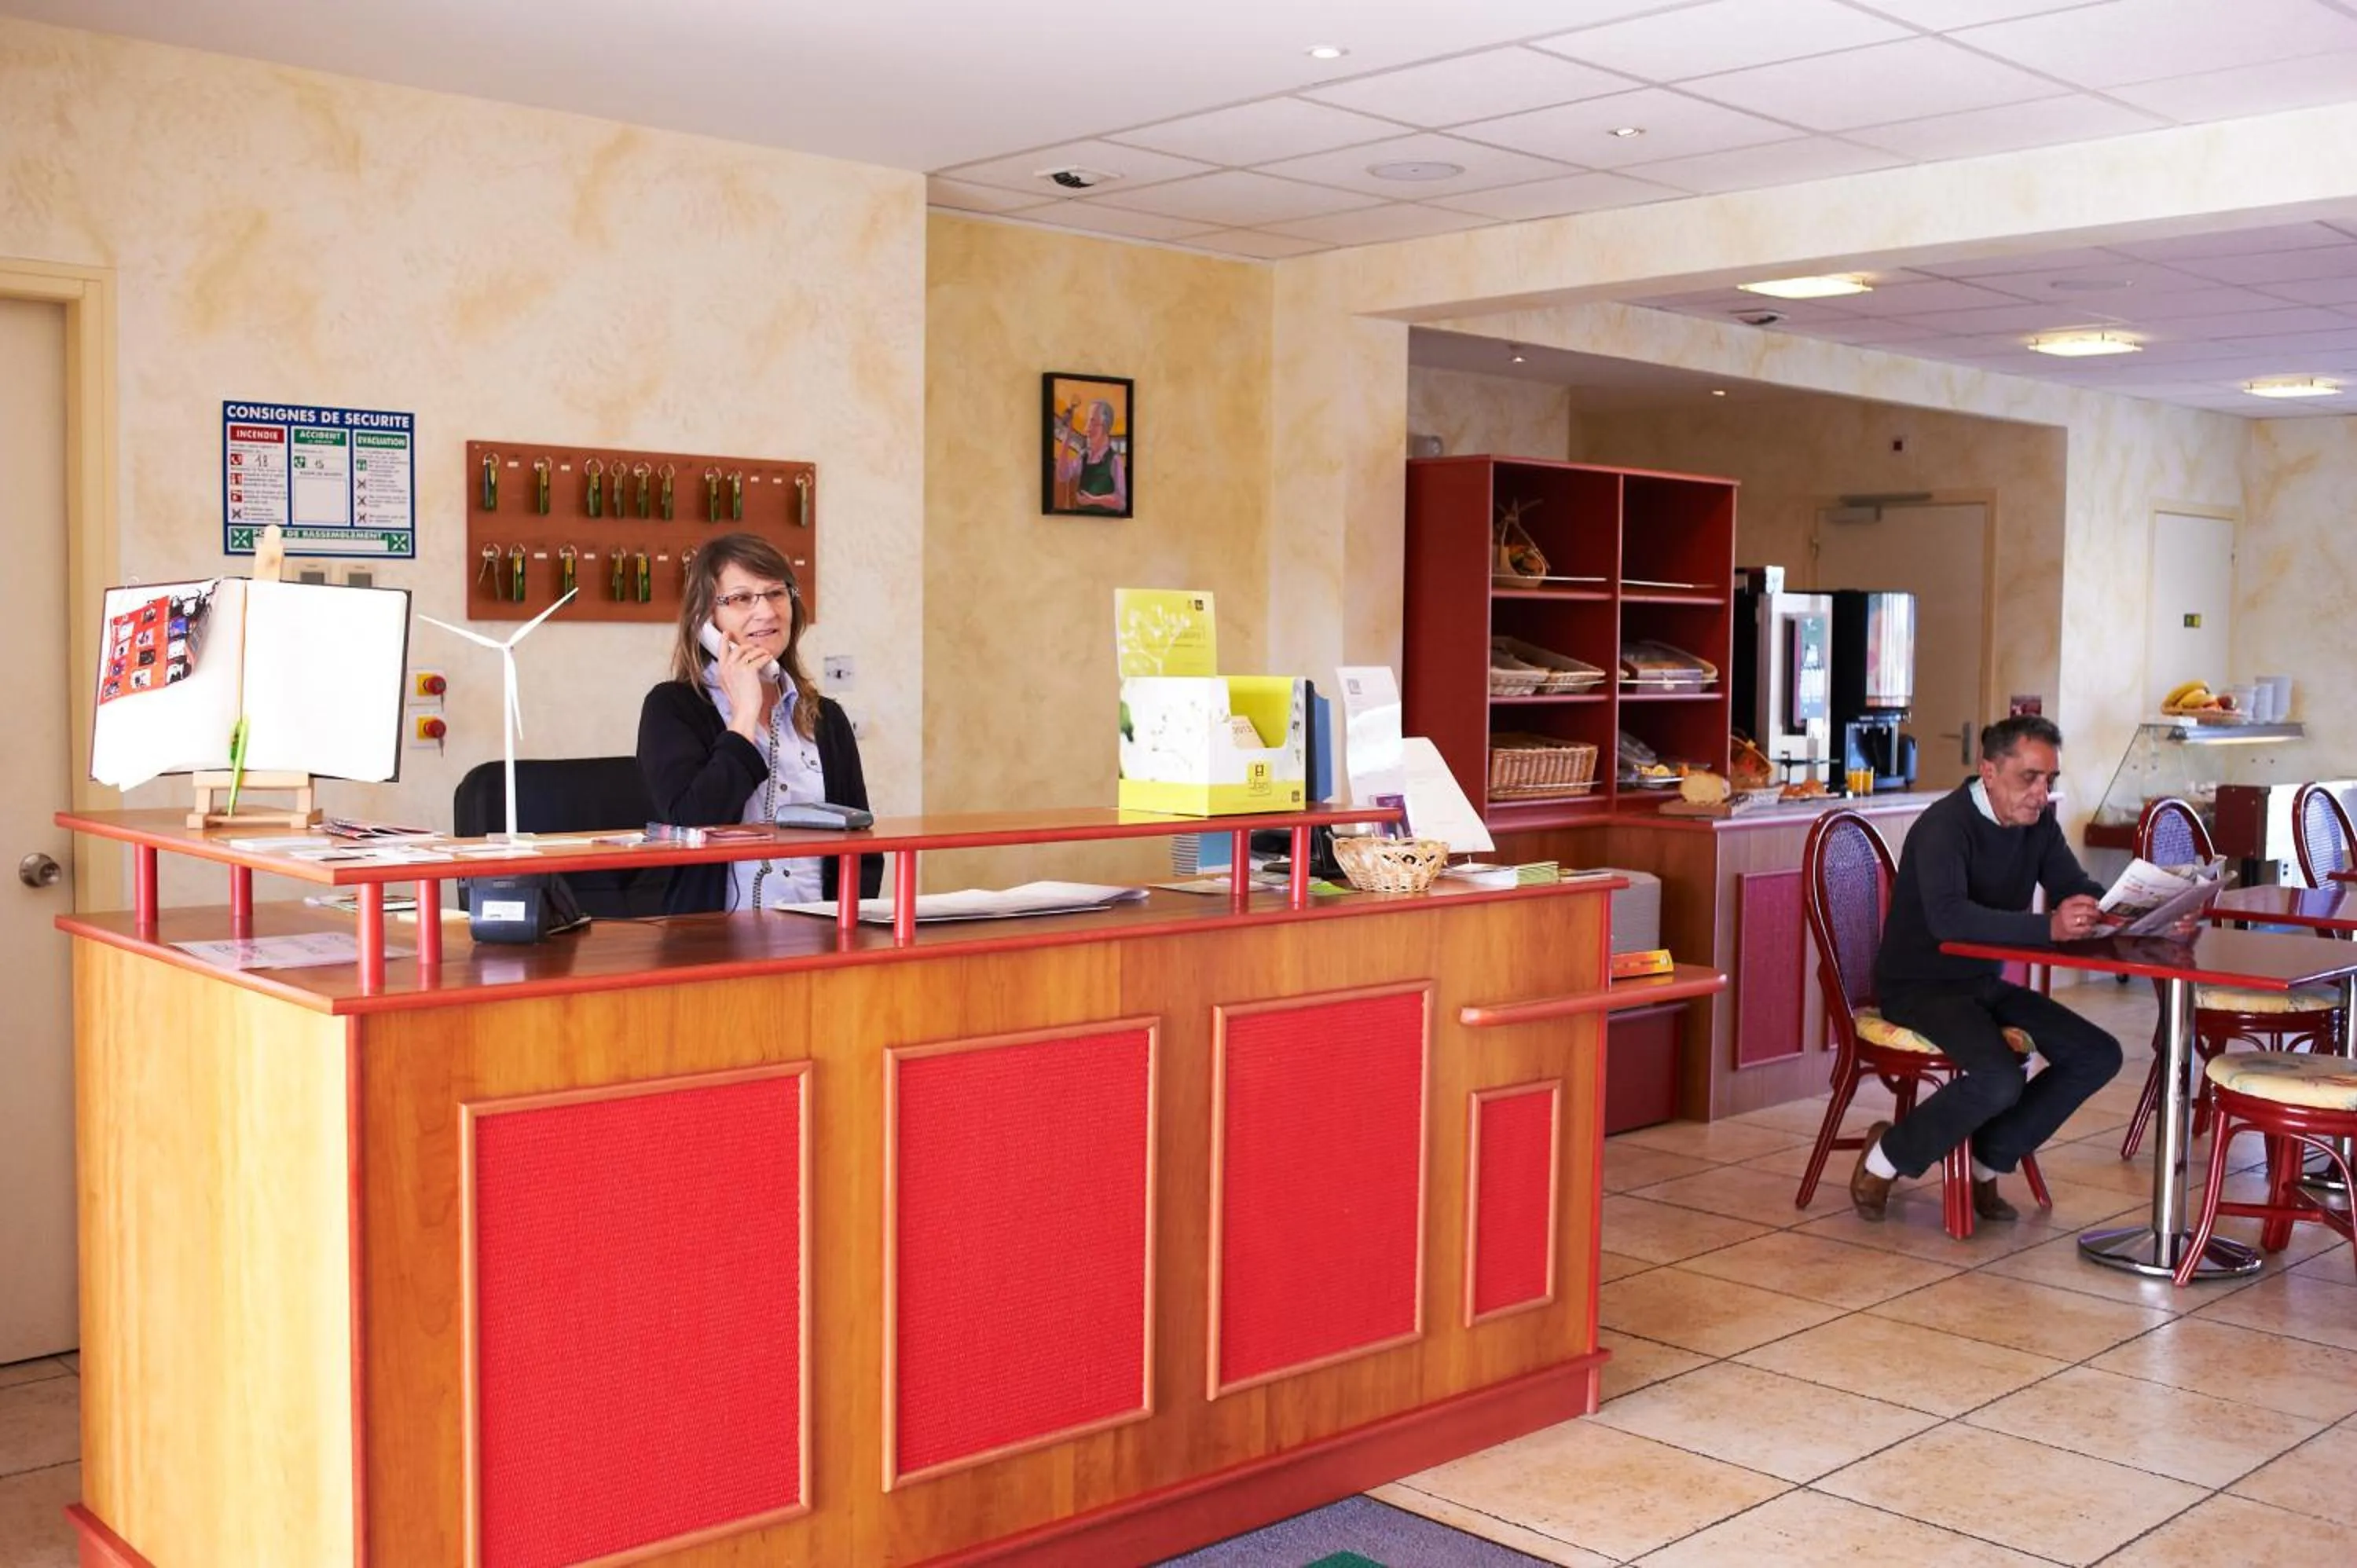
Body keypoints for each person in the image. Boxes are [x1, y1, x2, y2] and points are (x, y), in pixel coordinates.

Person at [1850, 713, 2124, 1223]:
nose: (2042, 794)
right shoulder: (1943, 826)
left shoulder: (2038, 823)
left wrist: (2136, 908)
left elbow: (2072, 885)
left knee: (2098, 1054)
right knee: (2000, 1080)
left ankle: (1986, 1158)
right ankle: (1885, 1157)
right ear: (1989, 771)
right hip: (1920, 987)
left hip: (1980, 985)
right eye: (2030, 778)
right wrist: (2050, 929)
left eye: (2050, 780)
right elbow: (1949, 919)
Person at [637, 532, 882, 914]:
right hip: (714, 945)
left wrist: (850, 925)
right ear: (706, 620)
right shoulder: (673, 708)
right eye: (740, 599)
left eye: (776, 593)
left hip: (821, 939)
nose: (766, 612)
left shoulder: (826, 719)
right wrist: (745, 717)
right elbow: (691, 821)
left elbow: (861, 844)